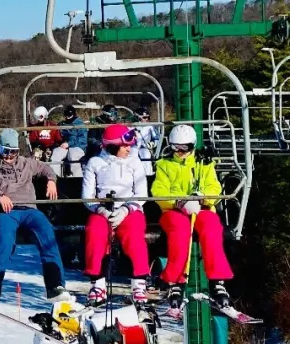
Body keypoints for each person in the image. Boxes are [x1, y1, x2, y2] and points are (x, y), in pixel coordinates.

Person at [0, 128, 67, 307]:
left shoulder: (26, 163)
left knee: (48, 235)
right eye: (5, 151)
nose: (9, 156)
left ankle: (55, 285)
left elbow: (45, 168)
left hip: (30, 210)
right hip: (5, 211)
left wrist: (51, 180)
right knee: (4, 243)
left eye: (13, 152)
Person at [150, 123, 234, 310]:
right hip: (173, 211)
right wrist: (178, 202)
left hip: (201, 209)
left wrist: (202, 197)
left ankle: (217, 280)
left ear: (192, 146)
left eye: (184, 148)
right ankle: (175, 280)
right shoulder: (164, 165)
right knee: (180, 231)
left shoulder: (204, 163)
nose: (179, 152)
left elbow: (214, 187)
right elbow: (158, 191)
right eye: (175, 147)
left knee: (212, 226)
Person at [81, 124, 151, 306]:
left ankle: (138, 284)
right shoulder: (95, 163)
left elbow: (142, 193)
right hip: (103, 208)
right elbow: (87, 196)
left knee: (134, 234)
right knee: (94, 232)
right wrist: (101, 209)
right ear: (113, 145)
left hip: (130, 209)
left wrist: (126, 210)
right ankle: (97, 283)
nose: (129, 149)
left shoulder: (135, 163)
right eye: (125, 145)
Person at [51, 106, 88, 177]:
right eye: (66, 115)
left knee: (73, 155)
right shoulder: (62, 124)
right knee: (56, 153)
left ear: (73, 114)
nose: (67, 117)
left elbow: (83, 140)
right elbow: (56, 134)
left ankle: (77, 179)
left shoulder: (80, 125)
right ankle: (55, 178)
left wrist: (69, 143)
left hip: (77, 147)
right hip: (65, 146)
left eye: (69, 115)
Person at [134, 108, 160, 176]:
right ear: (138, 118)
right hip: (133, 147)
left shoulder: (150, 126)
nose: (147, 120)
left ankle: (147, 174)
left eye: (148, 118)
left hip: (144, 147)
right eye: (145, 118)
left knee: (145, 155)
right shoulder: (132, 126)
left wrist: (152, 144)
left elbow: (156, 138)